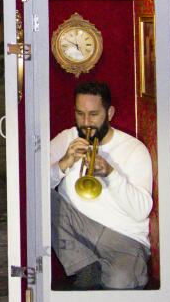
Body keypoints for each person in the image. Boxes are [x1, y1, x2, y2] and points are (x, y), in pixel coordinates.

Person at [48, 78, 150, 288]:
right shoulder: (67, 138)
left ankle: (103, 272)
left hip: (123, 235)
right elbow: (32, 186)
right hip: (77, 229)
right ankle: (84, 267)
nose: (86, 122)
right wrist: (63, 164)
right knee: (42, 198)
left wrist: (111, 174)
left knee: (120, 283)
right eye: (80, 113)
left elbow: (141, 211)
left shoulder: (134, 149)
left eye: (94, 115)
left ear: (109, 113)